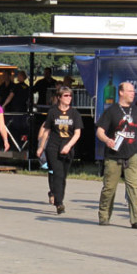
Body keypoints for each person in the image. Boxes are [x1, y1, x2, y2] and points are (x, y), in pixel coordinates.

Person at [96, 82, 137, 229]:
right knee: (109, 188)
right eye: (129, 91)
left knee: (134, 187)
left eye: (133, 91)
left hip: (132, 154)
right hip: (113, 155)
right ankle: (104, 215)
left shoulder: (136, 111)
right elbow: (100, 131)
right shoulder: (111, 111)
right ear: (121, 92)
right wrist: (107, 140)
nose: (133, 94)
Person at [36, 85, 82, 214]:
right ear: (59, 97)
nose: (69, 98)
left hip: (68, 147)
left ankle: (58, 197)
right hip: (53, 146)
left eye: (70, 96)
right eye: (66, 96)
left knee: (63, 177)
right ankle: (59, 203)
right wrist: (41, 147)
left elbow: (77, 133)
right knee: (57, 173)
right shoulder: (53, 112)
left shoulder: (74, 113)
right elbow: (47, 130)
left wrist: (68, 146)